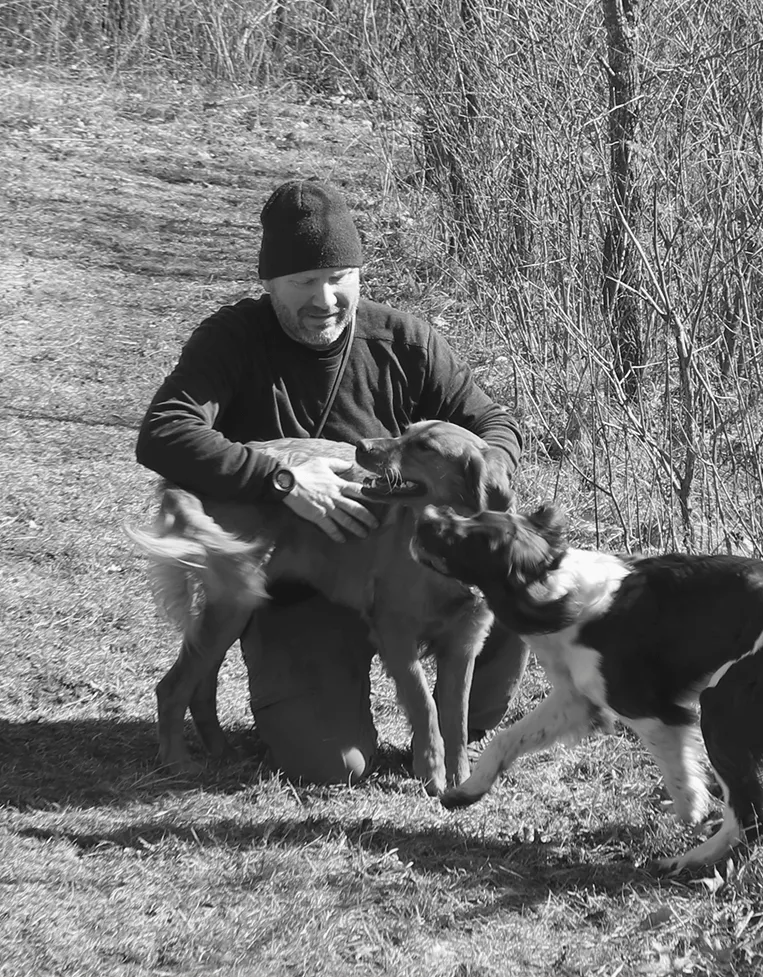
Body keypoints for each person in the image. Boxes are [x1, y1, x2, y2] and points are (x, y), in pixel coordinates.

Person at [136, 177, 529, 784]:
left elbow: (491, 424)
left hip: (406, 568)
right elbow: (163, 433)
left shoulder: (403, 339)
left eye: (340, 276)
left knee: (509, 589)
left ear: (360, 274)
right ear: (269, 283)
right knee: (331, 765)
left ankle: (462, 728)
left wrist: (482, 480)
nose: (324, 298)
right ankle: (242, 700)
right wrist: (283, 479)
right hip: (298, 589)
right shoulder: (233, 340)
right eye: (303, 283)